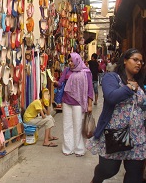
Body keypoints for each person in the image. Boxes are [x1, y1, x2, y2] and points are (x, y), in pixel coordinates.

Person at [86, 48, 146, 183]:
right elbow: (111, 97)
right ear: (125, 60)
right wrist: (129, 88)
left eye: (141, 62)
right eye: (135, 60)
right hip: (116, 134)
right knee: (109, 170)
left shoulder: (141, 82)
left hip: (138, 136)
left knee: (135, 176)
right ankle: (97, 179)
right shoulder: (112, 77)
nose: (139, 64)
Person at [53, 52, 93, 156]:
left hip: (79, 103)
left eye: (72, 61)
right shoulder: (66, 70)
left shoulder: (86, 72)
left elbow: (90, 89)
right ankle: (67, 148)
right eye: (69, 61)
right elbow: (61, 83)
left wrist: (90, 105)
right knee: (67, 125)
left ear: (77, 60)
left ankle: (79, 149)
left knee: (78, 126)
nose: (70, 63)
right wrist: (56, 83)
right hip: (66, 102)